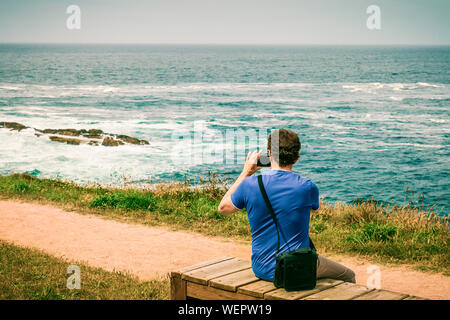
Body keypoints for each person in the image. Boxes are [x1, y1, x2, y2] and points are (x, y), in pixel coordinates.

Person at [218, 129, 355, 283]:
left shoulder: (249, 185)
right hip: (296, 268)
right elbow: (317, 209)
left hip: (261, 268)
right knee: (348, 275)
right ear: (297, 158)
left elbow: (223, 209)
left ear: (269, 155)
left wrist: (246, 172)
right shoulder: (307, 187)